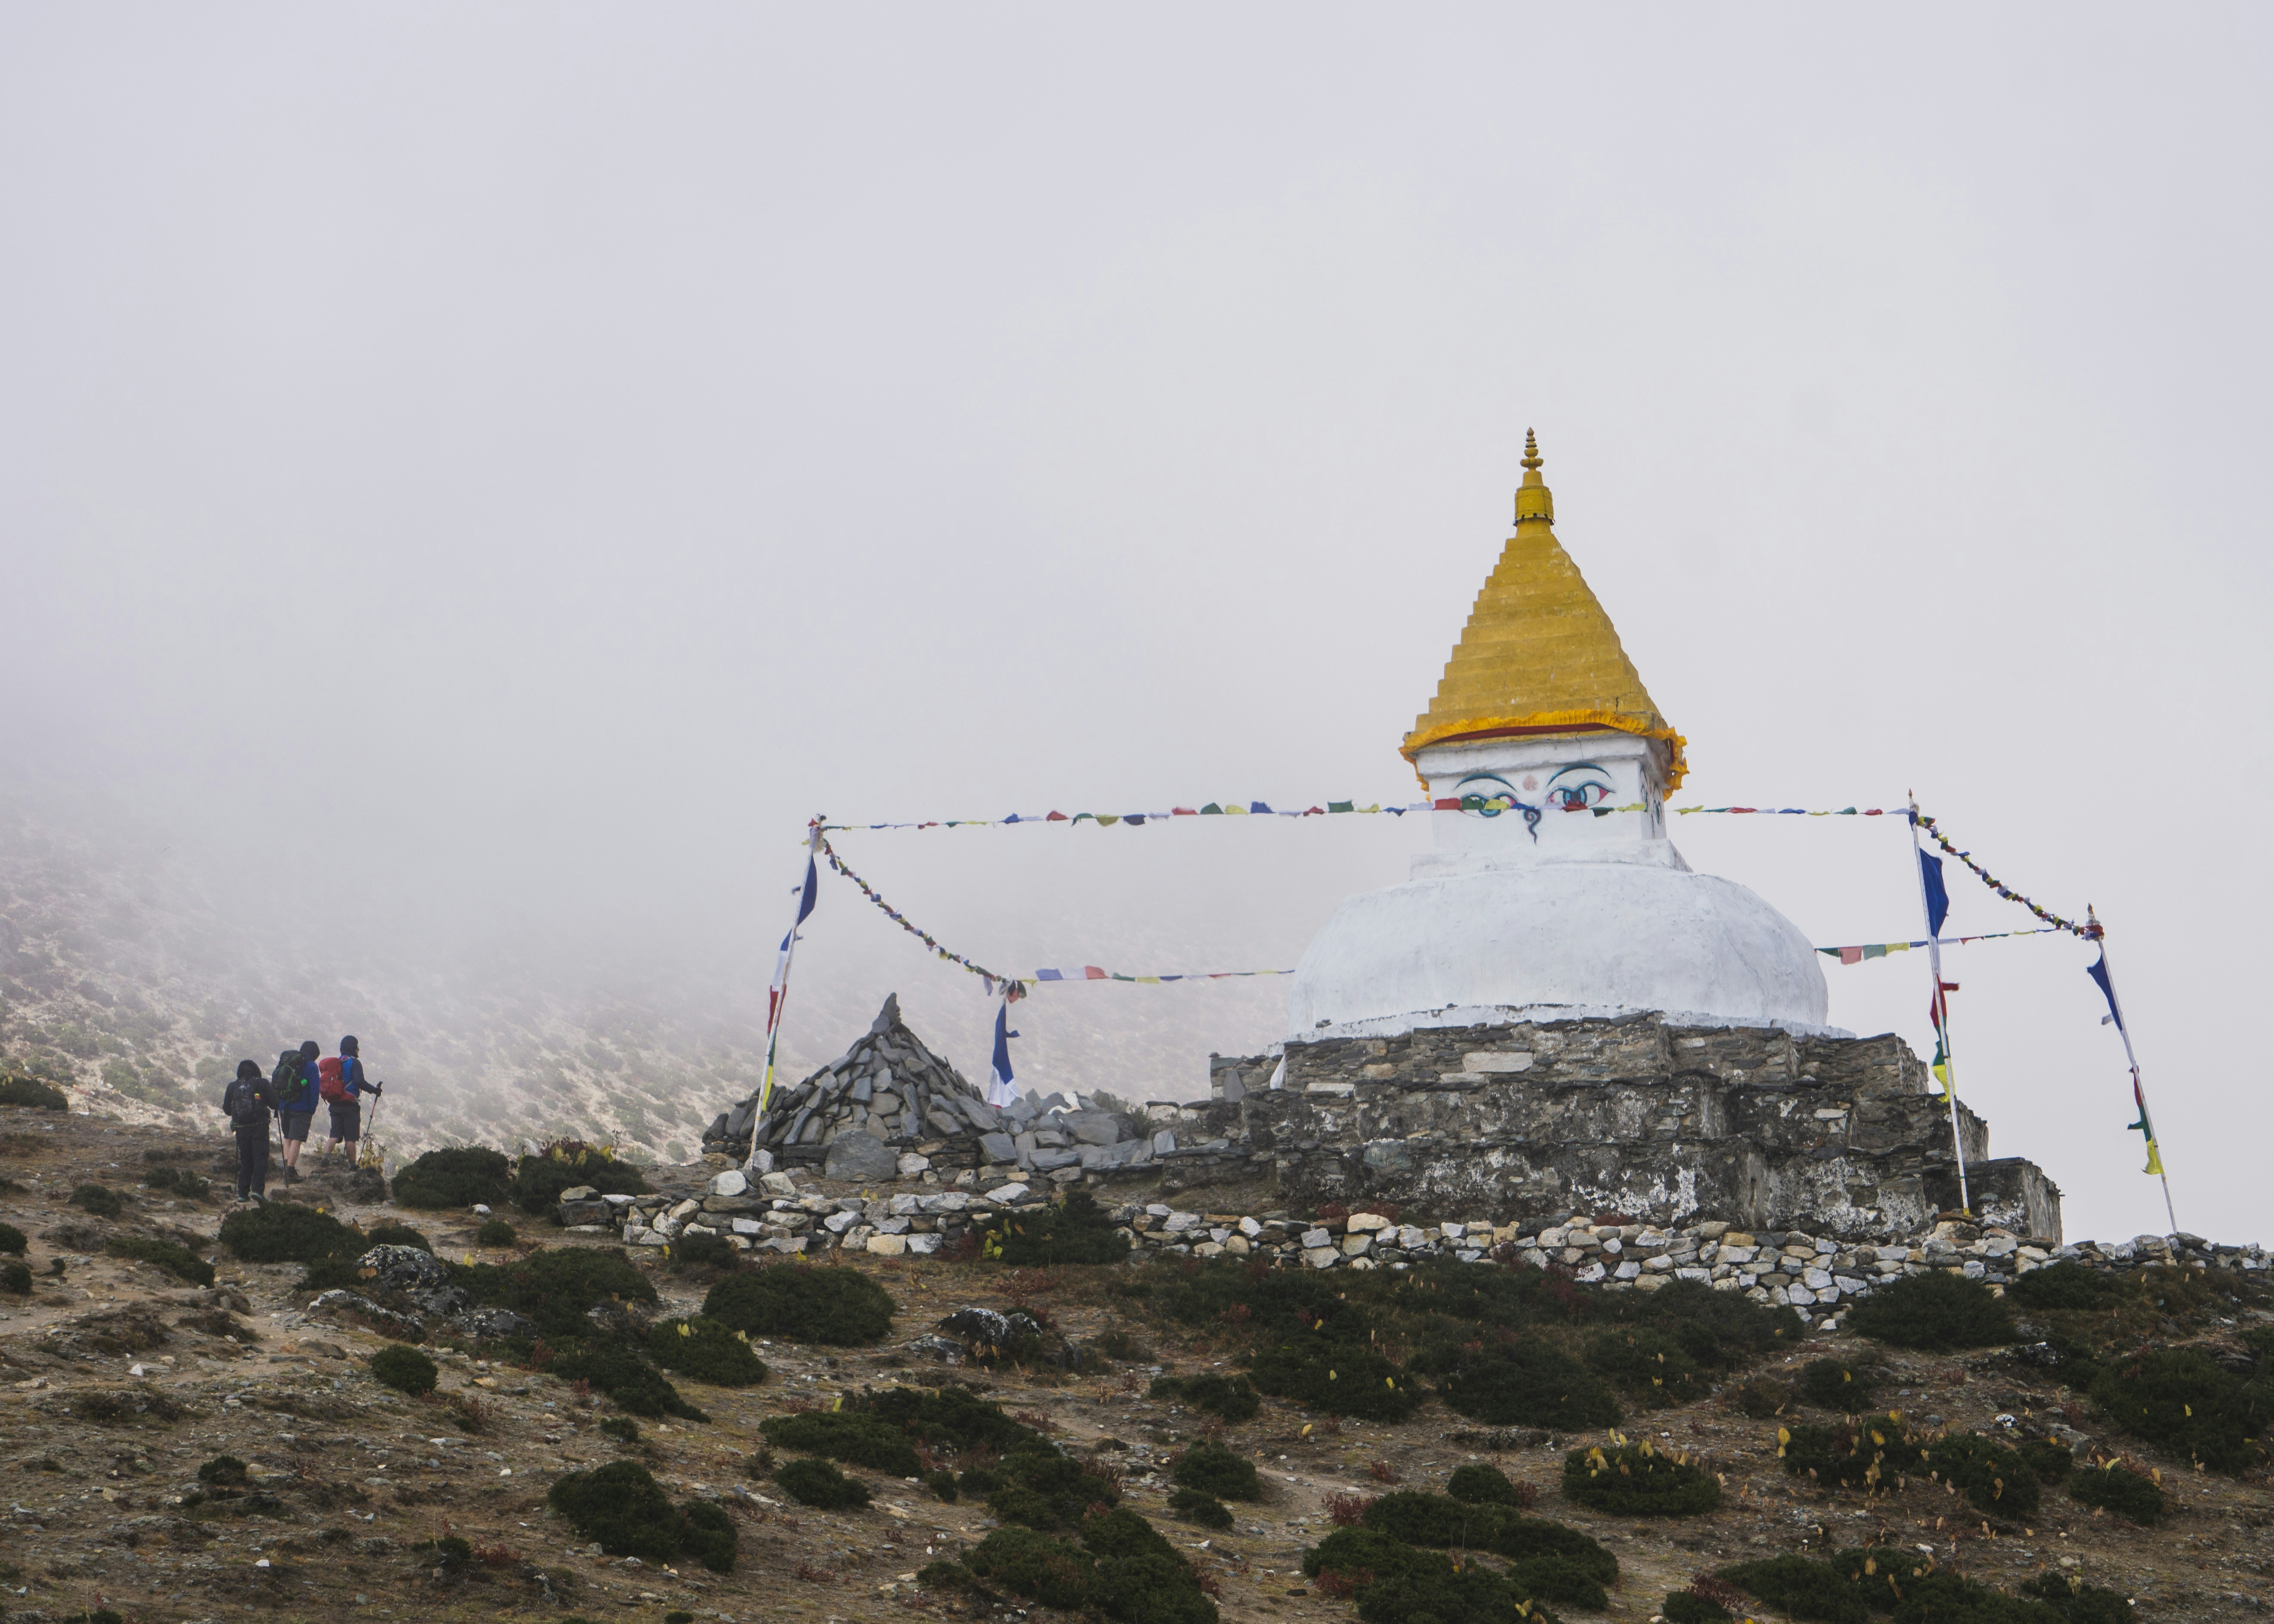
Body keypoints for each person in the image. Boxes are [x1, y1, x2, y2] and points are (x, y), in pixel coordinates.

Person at [222, 1059, 280, 1204]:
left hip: (241, 1129)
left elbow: (227, 1110)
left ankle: (242, 1193)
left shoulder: (232, 1087)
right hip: (259, 1127)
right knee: (260, 1158)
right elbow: (275, 1104)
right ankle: (257, 1191)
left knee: (246, 1160)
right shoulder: (262, 1084)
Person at [319, 1034, 381, 1166]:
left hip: (335, 1103)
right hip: (349, 1106)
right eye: (357, 1047)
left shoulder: (337, 1063)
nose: (359, 1050)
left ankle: (325, 1159)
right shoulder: (354, 1063)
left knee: (334, 1135)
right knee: (351, 1138)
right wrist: (374, 1090)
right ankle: (353, 1166)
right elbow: (359, 1082)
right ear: (353, 1048)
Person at [273, 1040, 321, 1181]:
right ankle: (291, 1171)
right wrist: (312, 1108)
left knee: (288, 1138)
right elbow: (314, 1090)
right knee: (297, 1139)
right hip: (301, 1108)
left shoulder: (289, 1064)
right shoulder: (312, 1067)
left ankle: (286, 1169)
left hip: (284, 1107)